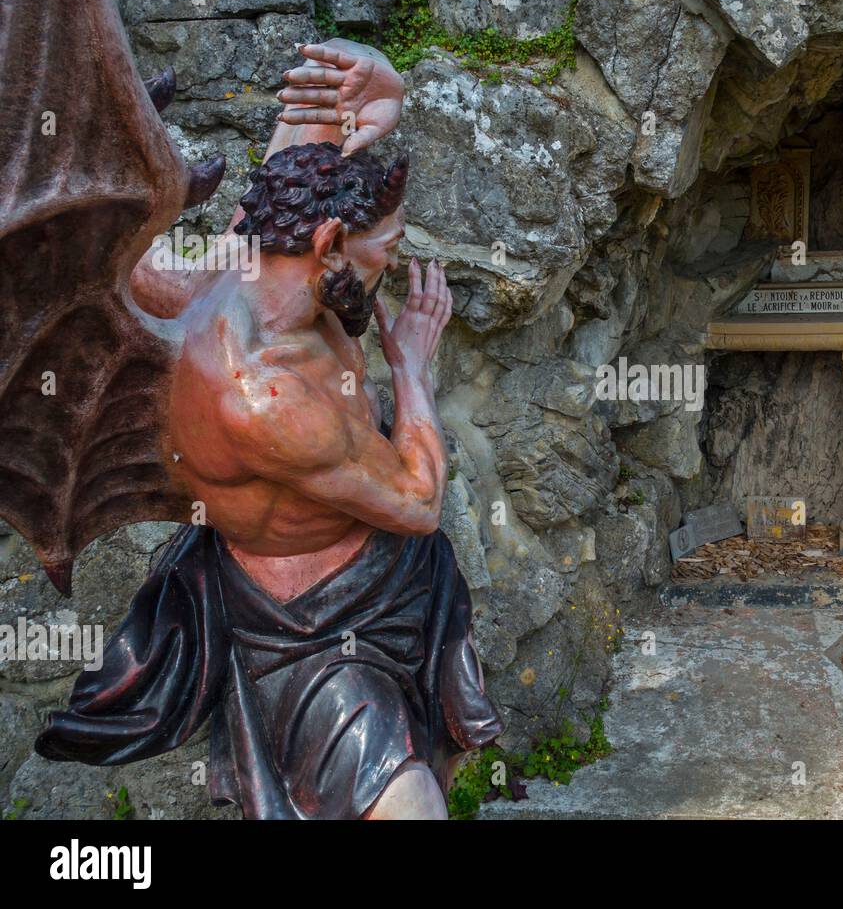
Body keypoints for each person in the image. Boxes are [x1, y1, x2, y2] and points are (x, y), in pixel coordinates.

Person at [36, 41, 502, 819]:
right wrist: (413, 368)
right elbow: (419, 500)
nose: (393, 264)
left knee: (423, 768)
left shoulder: (264, 239)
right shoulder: (262, 395)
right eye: (384, 251)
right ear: (329, 247)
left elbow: (321, 113)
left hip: (395, 592)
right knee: (407, 803)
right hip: (317, 630)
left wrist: (383, 88)